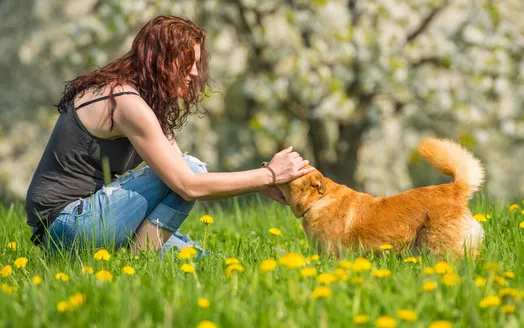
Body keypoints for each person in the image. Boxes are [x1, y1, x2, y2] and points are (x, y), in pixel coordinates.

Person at [25, 15, 313, 256]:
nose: (194, 73)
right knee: (190, 171)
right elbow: (188, 183)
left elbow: (182, 169)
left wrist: (257, 186)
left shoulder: (144, 103)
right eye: (186, 62)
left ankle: (139, 258)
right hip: (66, 227)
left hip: (86, 224)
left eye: (197, 63)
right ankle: (138, 263)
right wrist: (269, 175)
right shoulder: (125, 102)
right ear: (158, 61)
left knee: (198, 259)